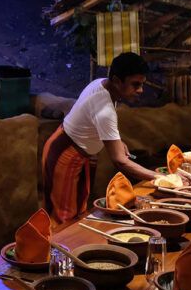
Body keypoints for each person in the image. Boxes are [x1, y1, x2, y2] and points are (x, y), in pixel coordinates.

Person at [42, 52, 158, 223]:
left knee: (78, 211)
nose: (140, 90)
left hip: (80, 152)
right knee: (63, 217)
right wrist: (158, 178)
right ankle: (57, 250)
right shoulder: (105, 109)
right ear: (118, 81)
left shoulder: (102, 84)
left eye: (142, 84)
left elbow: (96, 123)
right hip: (65, 153)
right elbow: (120, 161)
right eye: (135, 85)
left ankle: (69, 247)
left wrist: (118, 141)